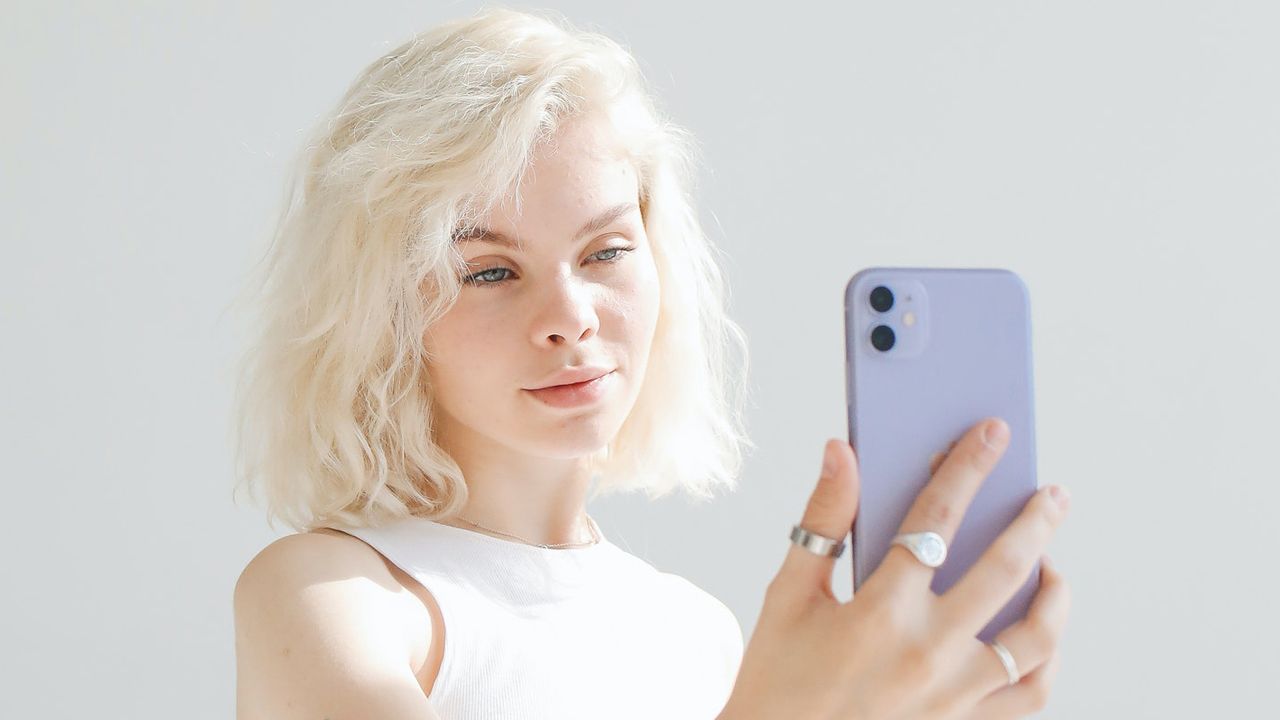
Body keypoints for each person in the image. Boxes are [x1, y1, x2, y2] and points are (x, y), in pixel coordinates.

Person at [231, 7, 1072, 720]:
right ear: (381, 313)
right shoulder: (330, 595)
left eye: (604, 252)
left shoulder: (696, 632)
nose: (569, 317)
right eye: (489, 271)